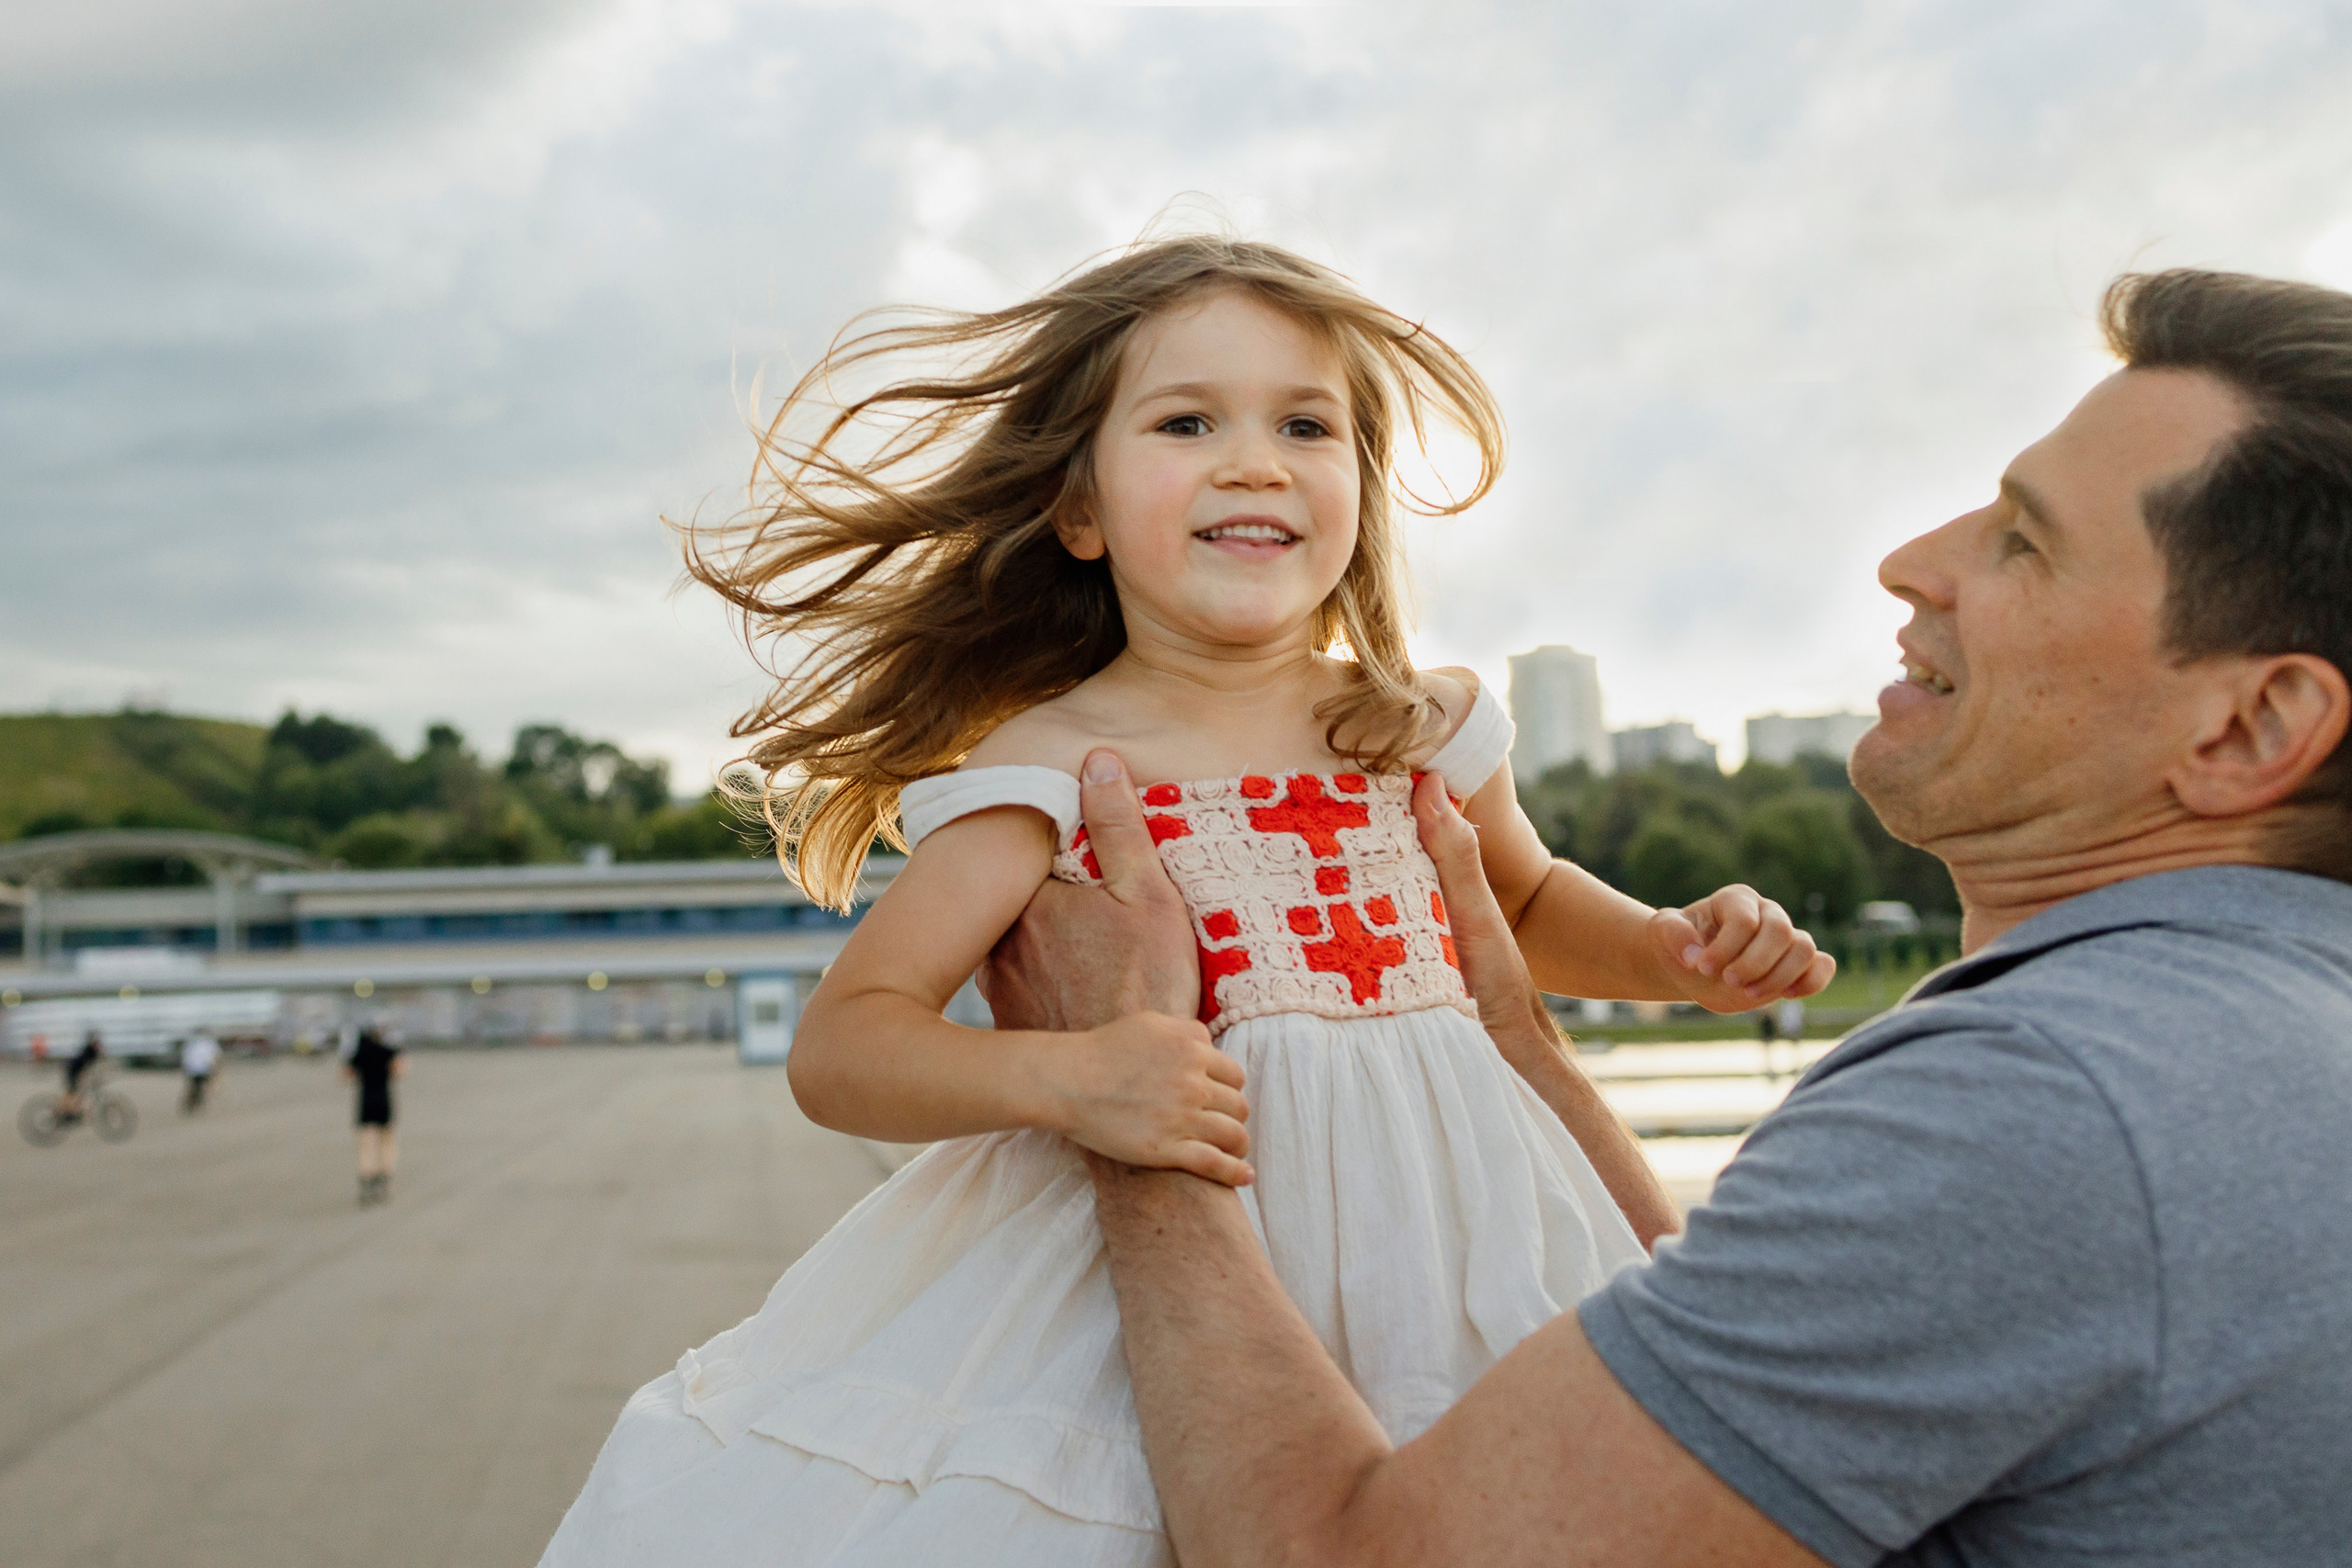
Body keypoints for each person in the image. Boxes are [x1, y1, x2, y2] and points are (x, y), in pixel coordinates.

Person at [990, 267, 2352, 1565]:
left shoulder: (2044, 1105)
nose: (1909, 561)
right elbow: (1721, 1408)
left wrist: (1135, 1098)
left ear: (2252, 724)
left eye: (2023, 542)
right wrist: (1521, 1038)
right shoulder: (2254, 1035)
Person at [539, 235, 1828, 1567]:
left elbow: (1529, 905)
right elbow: (847, 1042)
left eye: (1305, 425)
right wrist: (1073, 1077)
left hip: (1460, 1246)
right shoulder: (1049, 765)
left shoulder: (1420, 724)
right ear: (1079, 511)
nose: (1255, 460)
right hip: (1134, 1294)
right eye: (1187, 422)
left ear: (1358, 492)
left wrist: (1673, 951)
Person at [344, 1026, 402, 1205]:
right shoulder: (387, 1052)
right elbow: (400, 1072)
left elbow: (346, 1076)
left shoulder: (359, 1054)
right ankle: (384, 1177)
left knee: (366, 1144)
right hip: (384, 1100)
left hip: (365, 1101)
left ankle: (367, 1176)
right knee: (387, 1141)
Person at [60, 1030, 104, 1117]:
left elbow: (94, 1065)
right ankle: (65, 1111)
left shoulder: (92, 1051)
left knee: (78, 1092)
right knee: (73, 1092)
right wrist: (82, 1077)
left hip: (76, 1070)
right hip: (73, 1071)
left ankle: (73, 1110)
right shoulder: (88, 1051)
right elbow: (83, 1065)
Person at [179, 1028, 220, 1115]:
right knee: (200, 1087)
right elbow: (212, 1057)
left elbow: (185, 1057)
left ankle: (193, 1103)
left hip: (193, 1069)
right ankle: (195, 1103)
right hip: (203, 1069)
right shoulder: (209, 1044)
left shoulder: (191, 1043)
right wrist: (214, 1069)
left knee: (195, 1087)